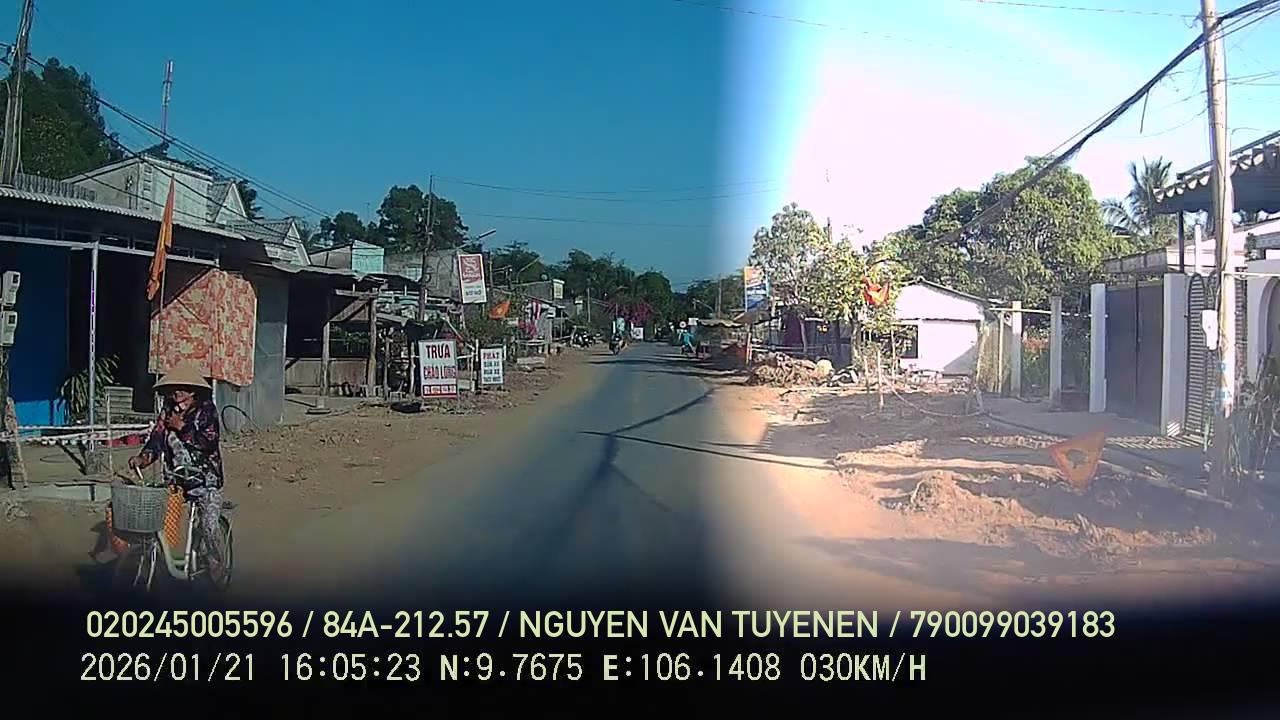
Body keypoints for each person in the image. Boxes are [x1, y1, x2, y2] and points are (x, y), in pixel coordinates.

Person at [128, 363, 227, 583]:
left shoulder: (206, 410)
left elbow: (209, 442)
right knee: (156, 519)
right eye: (174, 390)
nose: (177, 394)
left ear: (193, 392)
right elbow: (156, 439)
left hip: (206, 479)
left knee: (209, 526)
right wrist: (143, 458)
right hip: (175, 478)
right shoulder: (167, 411)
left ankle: (215, 561)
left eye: (182, 390)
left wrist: (182, 427)